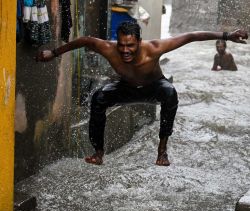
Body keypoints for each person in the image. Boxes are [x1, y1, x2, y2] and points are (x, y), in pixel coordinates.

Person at [36, 22, 248, 166]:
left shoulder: (155, 48)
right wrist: (53, 53)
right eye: (122, 45)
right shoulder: (108, 48)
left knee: (170, 92)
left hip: (154, 87)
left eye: (130, 45)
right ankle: (98, 153)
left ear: (138, 42)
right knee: (99, 97)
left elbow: (192, 36)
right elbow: (83, 40)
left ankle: (162, 151)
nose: (125, 50)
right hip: (125, 87)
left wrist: (227, 35)